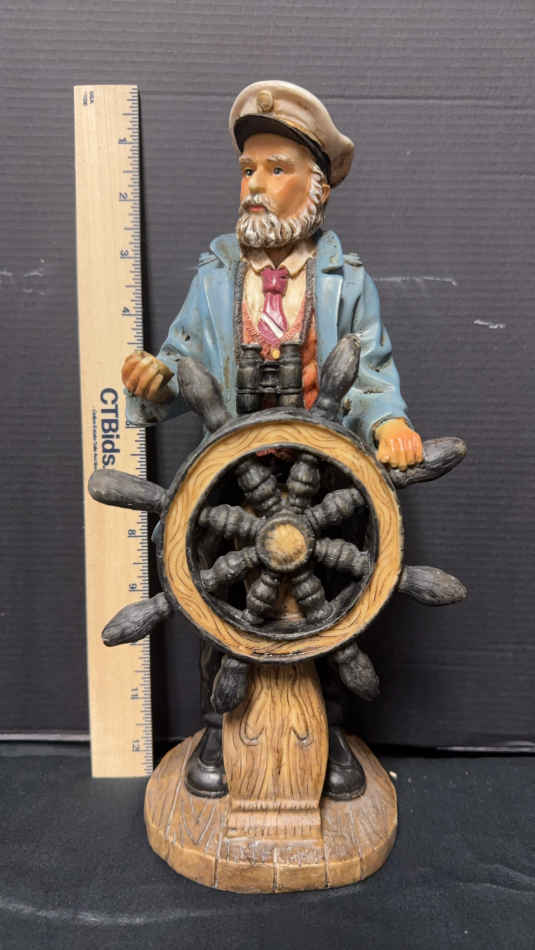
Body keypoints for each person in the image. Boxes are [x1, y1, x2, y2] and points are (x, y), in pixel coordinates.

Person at [122, 80, 423, 800]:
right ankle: (220, 730)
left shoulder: (346, 282)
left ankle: (330, 735)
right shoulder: (215, 278)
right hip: (231, 480)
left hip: (324, 479)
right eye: (247, 169)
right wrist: (154, 382)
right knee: (219, 606)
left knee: (335, 607)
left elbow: (370, 367)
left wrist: (388, 421)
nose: (254, 184)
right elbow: (182, 358)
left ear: (316, 188)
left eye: (275, 168)